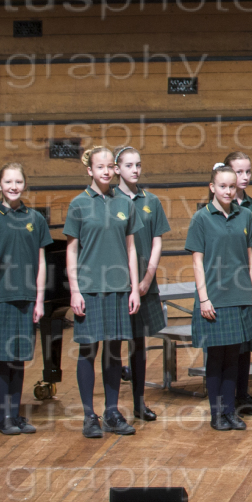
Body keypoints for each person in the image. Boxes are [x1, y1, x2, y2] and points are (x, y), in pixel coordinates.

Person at [64, 145, 141, 438]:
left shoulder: (125, 204)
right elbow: (71, 251)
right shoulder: (78, 204)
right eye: (100, 167)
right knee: (88, 350)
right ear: (90, 170)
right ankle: (89, 416)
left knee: (114, 352)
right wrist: (75, 291)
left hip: (119, 288)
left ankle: (112, 412)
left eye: (110, 166)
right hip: (89, 288)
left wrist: (134, 288)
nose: (106, 171)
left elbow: (131, 249)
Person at [0, 164, 52, 435]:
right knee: (3, 359)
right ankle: (4, 417)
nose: (14, 186)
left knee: (19, 360)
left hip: (27, 299)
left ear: (25, 185)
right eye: (8, 182)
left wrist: (39, 300)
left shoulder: (36, 219)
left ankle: (16, 415)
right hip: (0, 299)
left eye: (18, 181)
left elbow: (41, 262)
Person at [186, 165, 252, 431]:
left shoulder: (246, 216)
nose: (228, 191)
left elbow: (250, 259)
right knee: (216, 358)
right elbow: (197, 262)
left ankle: (230, 411)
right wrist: (204, 299)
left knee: (234, 357)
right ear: (212, 188)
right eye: (222, 186)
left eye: (232, 186)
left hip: (240, 296)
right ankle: (216, 414)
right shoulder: (201, 218)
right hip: (214, 298)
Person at [114, 146, 168, 423]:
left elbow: (157, 241)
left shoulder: (151, 201)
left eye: (138, 165)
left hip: (145, 284)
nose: (135, 170)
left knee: (138, 344)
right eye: (129, 165)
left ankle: (139, 402)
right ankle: (111, 408)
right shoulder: (109, 199)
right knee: (112, 345)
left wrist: (147, 278)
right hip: (117, 283)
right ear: (117, 169)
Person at [224, 151, 252, 416]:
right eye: (238, 172)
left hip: (247, 281)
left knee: (246, 342)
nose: (244, 177)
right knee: (226, 344)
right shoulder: (214, 205)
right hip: (224, 283)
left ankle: (242, 393)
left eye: (248, 171)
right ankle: (224, 397)